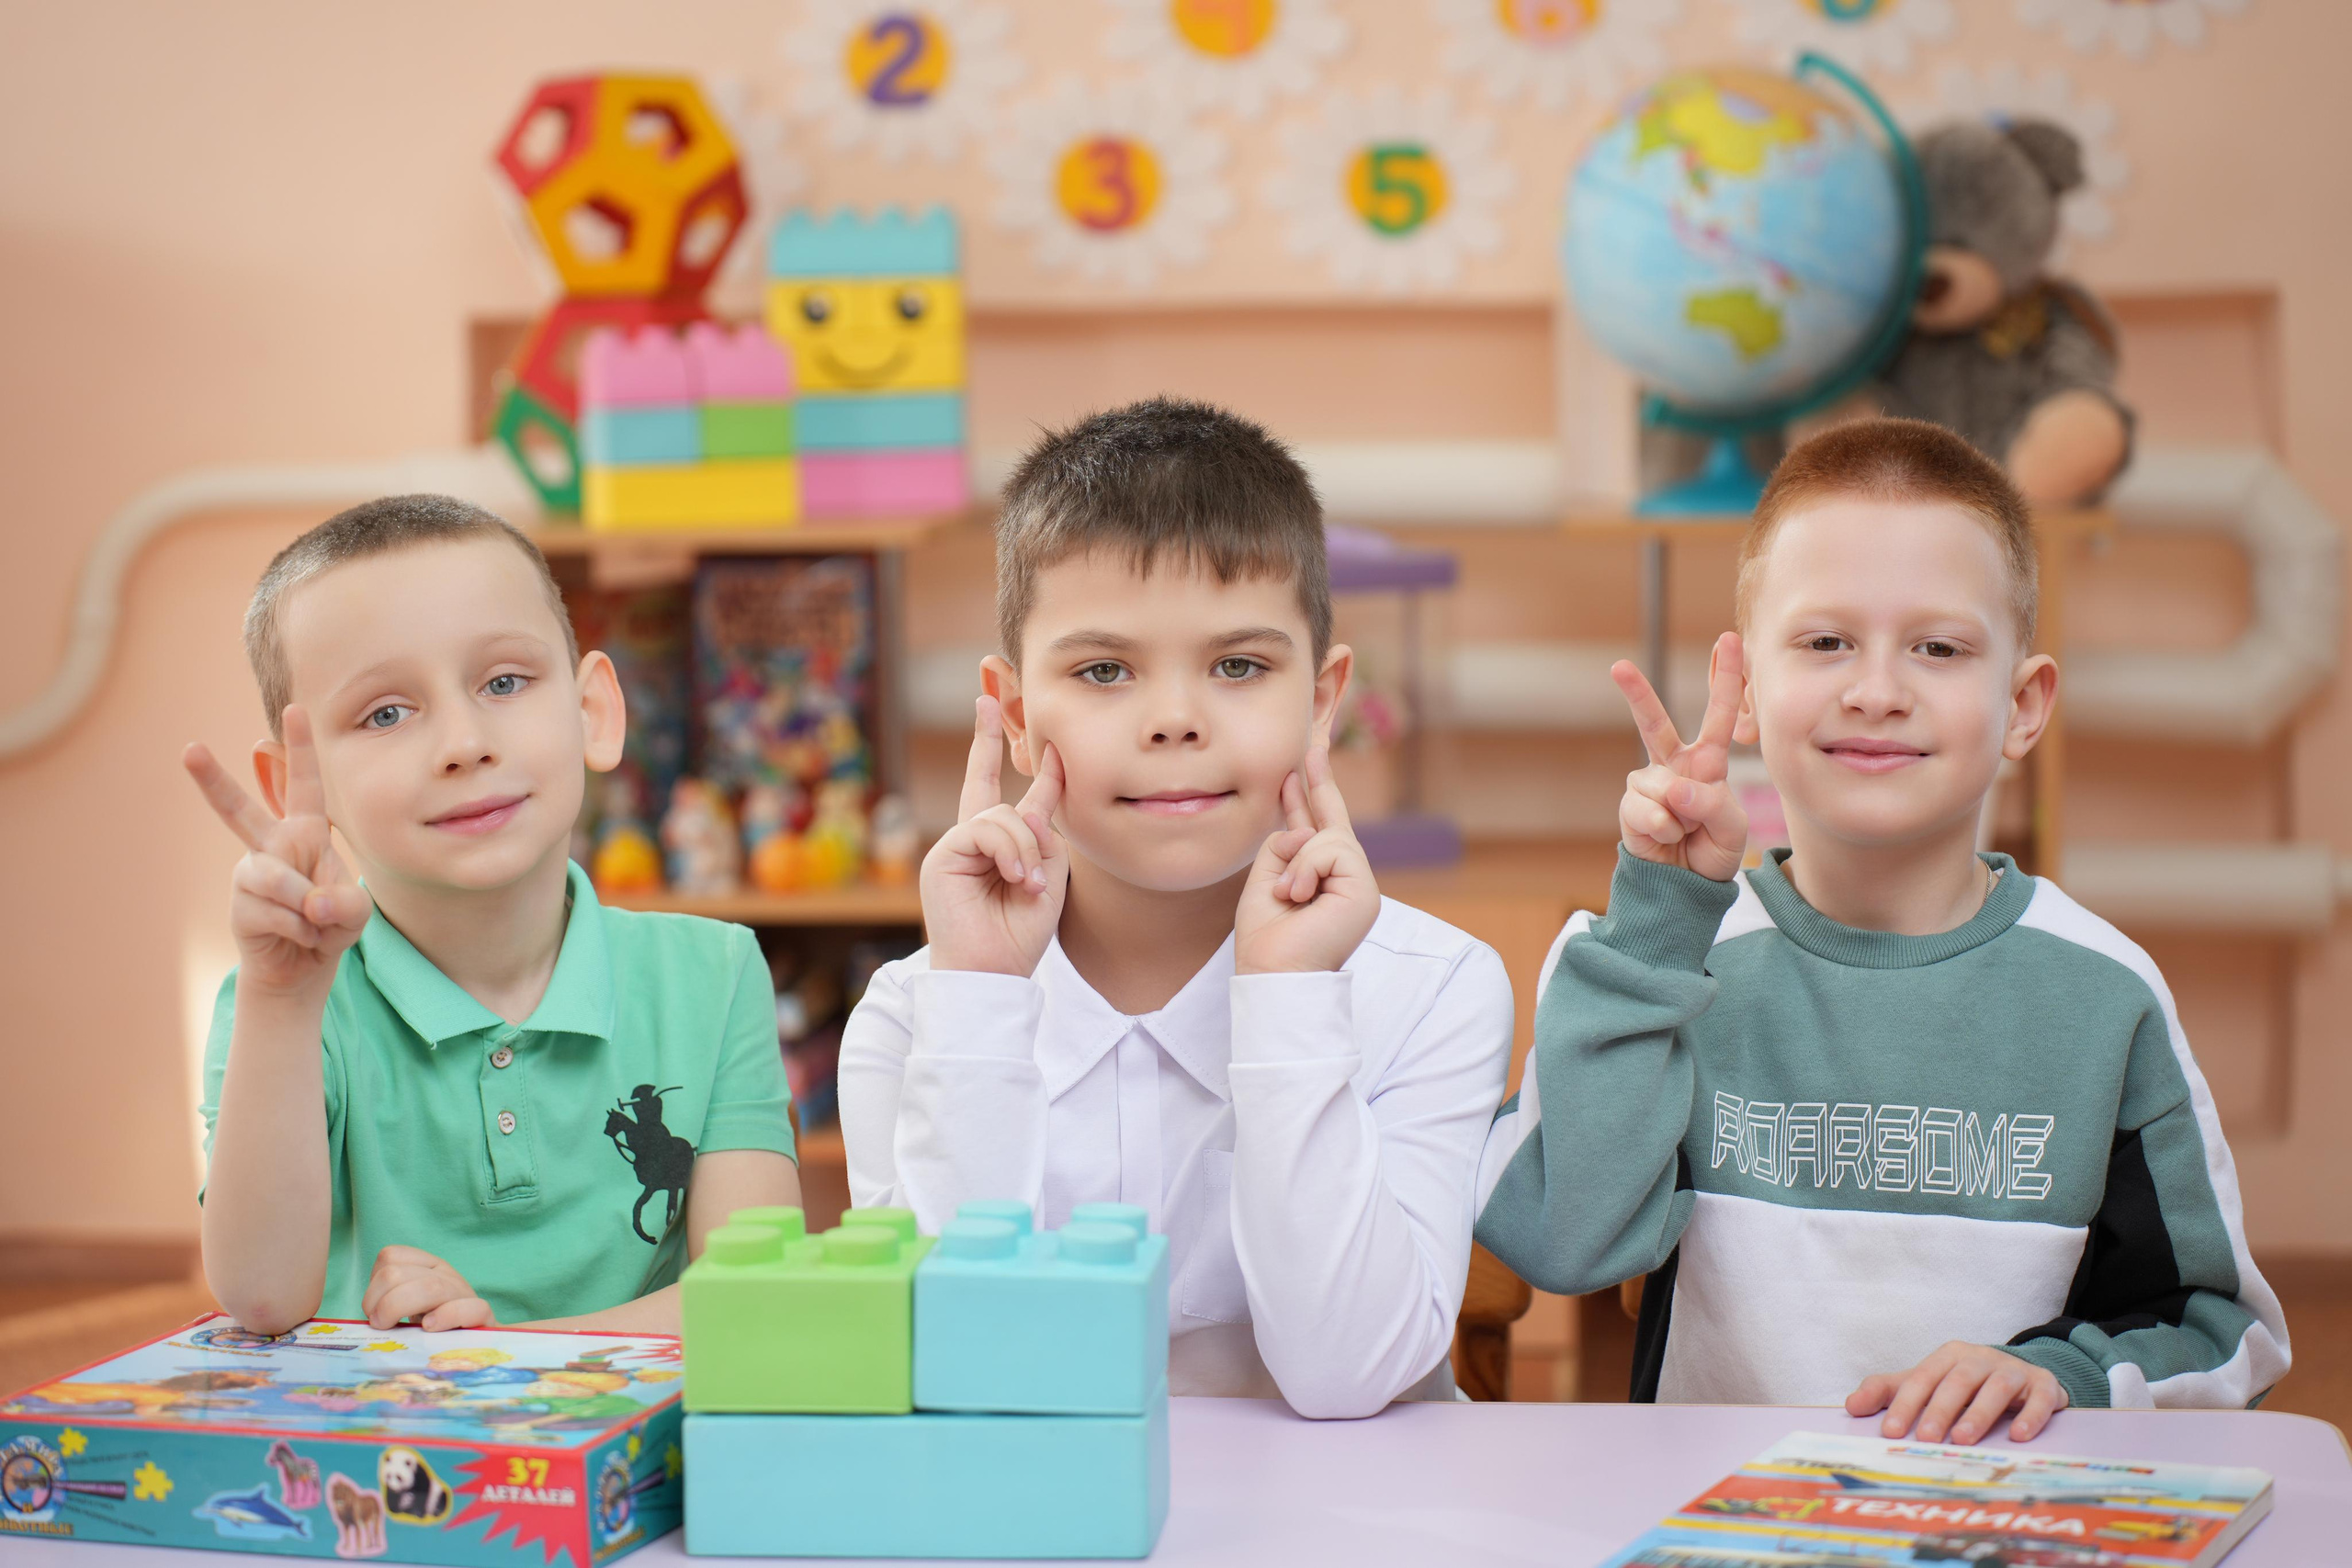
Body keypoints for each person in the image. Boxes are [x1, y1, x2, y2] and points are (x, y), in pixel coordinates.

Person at [1475, 418, 2289, 1443]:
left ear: (2023, 705)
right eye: (1824, 643)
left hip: (1997, 1530)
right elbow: (1557, 1242)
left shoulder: (2103, 992)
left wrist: (2064, 1377)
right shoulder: (1666, 952)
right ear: (1751, 685)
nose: (1875, 691)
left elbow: (2223, 1336)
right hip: (1716, 1531)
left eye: (1938, 648)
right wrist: (1654, 926)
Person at [838, 397, 1513, 1417]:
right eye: (1104, 670)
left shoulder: (1437, 989)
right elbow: (958, 1372)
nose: (1174, 722)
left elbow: (1350, 1379)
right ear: (1015, 714)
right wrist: (977, 994)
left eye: (1238, 666)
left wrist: (1287, 994)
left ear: (1322, 701)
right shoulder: (914, 1013)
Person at [185, 495, 797, 1336]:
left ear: (593, 712)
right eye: (386, 712)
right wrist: (283, 999)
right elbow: (258, 1298)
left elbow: (759, 1300)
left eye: (504, 681)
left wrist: (495, 1354)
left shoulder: (715, 974)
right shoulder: (278, 1004)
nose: (464, 741)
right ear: (297, 783)